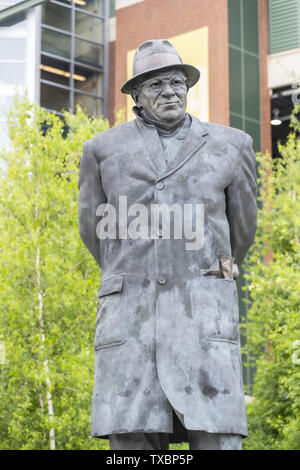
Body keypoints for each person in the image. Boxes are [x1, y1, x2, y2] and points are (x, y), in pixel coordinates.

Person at [78, 39, 257, 450]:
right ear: (136, 96)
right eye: (156, 85)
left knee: (216, 439)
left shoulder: (233, 145)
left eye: (177, 82)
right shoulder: (102, 151)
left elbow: (242, 229)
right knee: (133, 445)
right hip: (130, 321)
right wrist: (135, 269)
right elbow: (95, 231)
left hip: (203, 317)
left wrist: (207, 271)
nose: (170, 92)